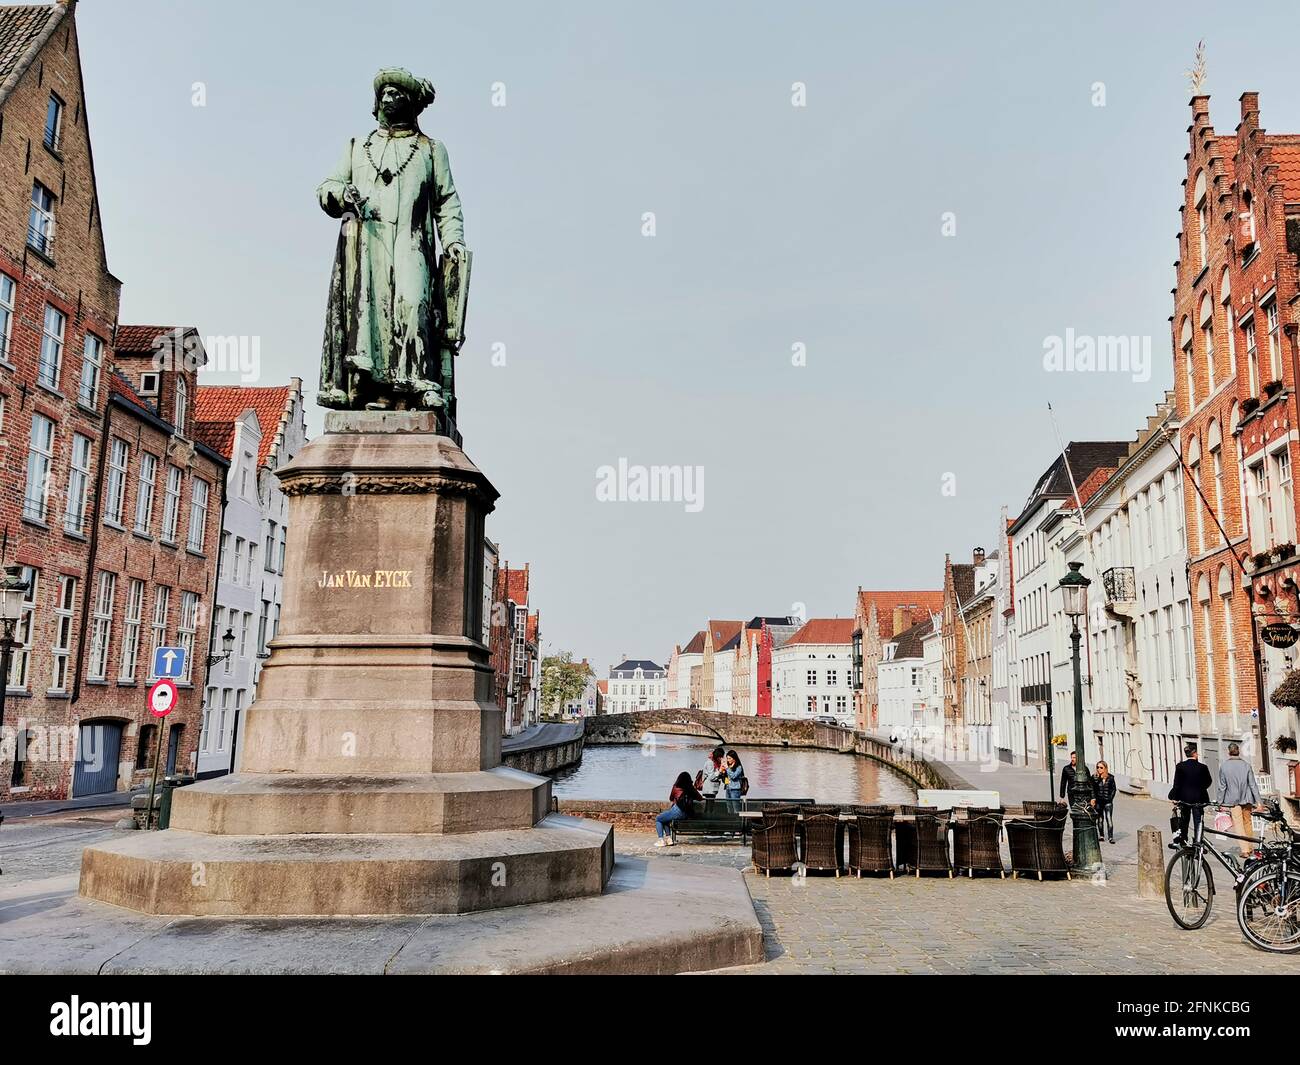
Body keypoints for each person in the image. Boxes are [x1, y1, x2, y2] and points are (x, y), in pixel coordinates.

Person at [1217, 741, 1262, 857]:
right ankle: (1250, 847)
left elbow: (1222, 786)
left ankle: (1245, 850)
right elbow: (1253, 785)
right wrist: (1259, 802)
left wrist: (1220, 802)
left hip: (1233, 800)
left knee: (1238, 824)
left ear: (1229, 752)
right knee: (1248, 822)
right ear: (1238, 751)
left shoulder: (1224, 766)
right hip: (1247, 798)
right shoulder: (1246, 765)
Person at [1168, 742, 1213, 849]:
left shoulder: (1180, 766)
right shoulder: (1202, 767)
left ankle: (1184, 840)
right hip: (1198, 798)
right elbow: (1208, 781)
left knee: (1185, 820)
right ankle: (1198, 841)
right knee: (1198, 821)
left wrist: (1175, 797)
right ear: (1195, 754)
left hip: (1185, 798)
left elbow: (1177, 783)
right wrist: (1201, 788)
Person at [655, 771, 703, 847]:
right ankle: (668, 839)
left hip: (677, 811)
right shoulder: (691, 788)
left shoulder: (676, 787)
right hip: (687, 814)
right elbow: (700, 798)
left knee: (658, 818)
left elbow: (670, 798)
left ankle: (661, 840)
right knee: (665, 819)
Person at [1091, 761, 1117, 844]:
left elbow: (1113, 789)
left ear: (1105, 768)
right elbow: (1092, 789)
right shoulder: (1094, 777)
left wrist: (1110, 798)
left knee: (1109, 819)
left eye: (1101, 767)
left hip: (1108, 802)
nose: (1099, 769)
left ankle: (1110, 837)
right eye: (1097, 767)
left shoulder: (1111, 777)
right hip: (1098, 802)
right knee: (1100, 819)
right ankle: (1101, 836)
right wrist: (1093, 798)